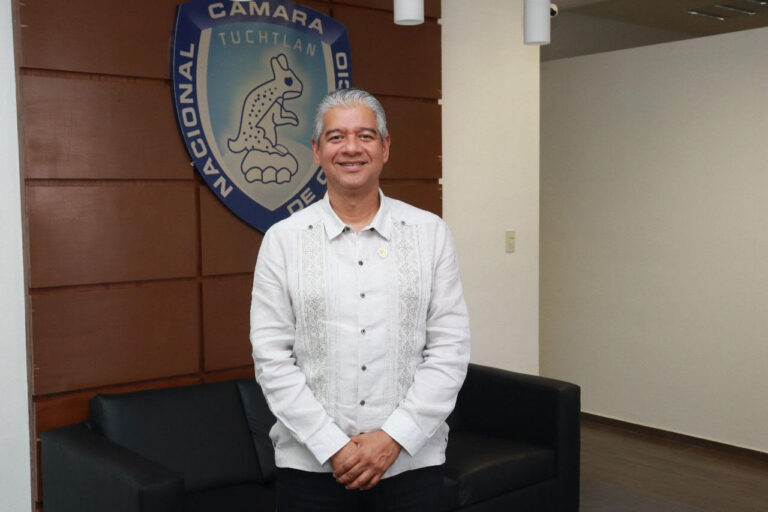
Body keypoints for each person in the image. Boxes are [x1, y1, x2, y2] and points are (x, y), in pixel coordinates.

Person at [249, 88, 470, 512]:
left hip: (411, 465)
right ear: (317, 150)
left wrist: (393, 438)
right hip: (310, 469)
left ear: (385, 148)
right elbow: (271, 358)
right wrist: (332, 445)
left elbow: (450, 349)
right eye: (336, 137)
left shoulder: (430, 233)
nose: (351, 148)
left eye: (365, 136)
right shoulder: (283, 241)